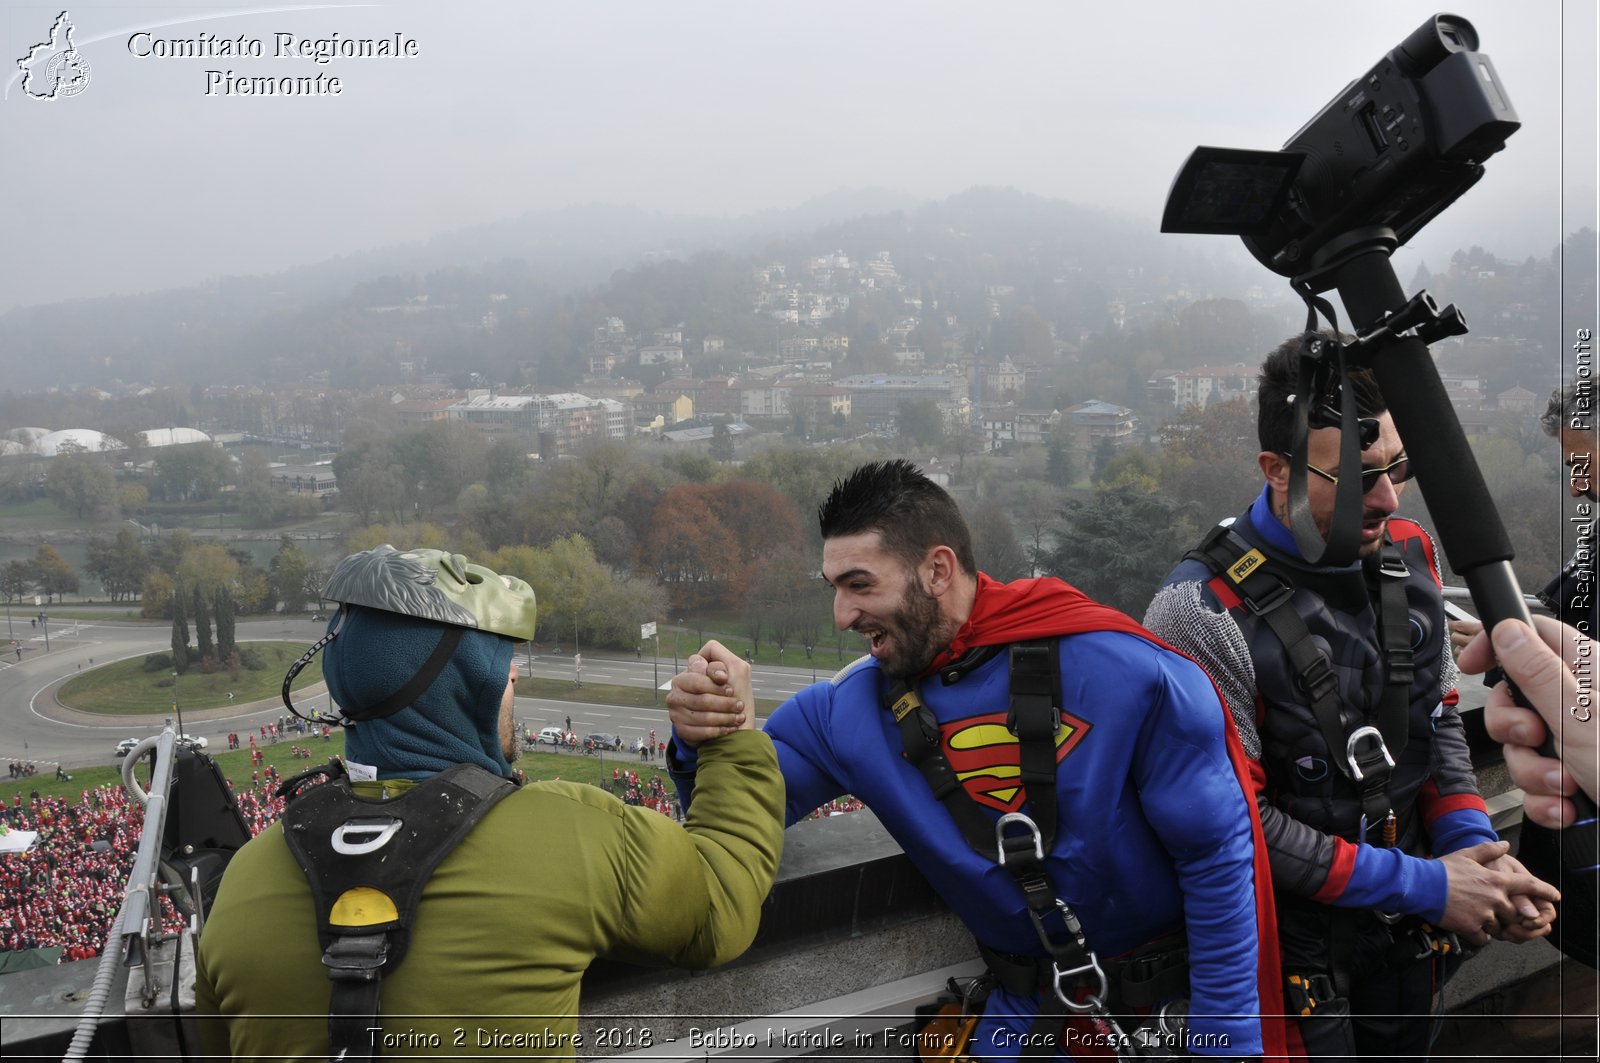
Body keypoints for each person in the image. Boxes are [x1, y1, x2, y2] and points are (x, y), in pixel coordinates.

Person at [670, 460, 1287, 1061]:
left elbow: (1216, 859)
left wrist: (1227, 1043)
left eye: (860, 585)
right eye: (834, 588)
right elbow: (739, 816)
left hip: (1167, 1017)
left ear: (938, 569)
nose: (841, 616)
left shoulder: (1131, 672)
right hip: (1017, 1026)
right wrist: (709, 734)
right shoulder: (842, 714)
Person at [195, 545, 783, 1059]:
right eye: (505, 669)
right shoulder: (573, 836)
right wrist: (731, 739)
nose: (516, 682)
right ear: (469, 686)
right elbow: (719, 908)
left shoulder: (246, 879)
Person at [1145, 334, 1559, 1061]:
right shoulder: (1198, 612)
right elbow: (1236, 827)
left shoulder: (1409, 549)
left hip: (1409, 933)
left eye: (1399, 466)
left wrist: (1475, 854)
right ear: (1276, 470)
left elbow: (1435, 725)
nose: (1390, 496)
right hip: (1292, 951)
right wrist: (1430, 884)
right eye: (1361, 475)